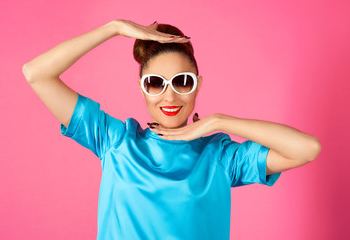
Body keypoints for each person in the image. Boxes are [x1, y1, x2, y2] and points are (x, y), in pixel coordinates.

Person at [22, 19, 322, 240]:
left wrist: (218, 122)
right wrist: (112, 28)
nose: (169, 96)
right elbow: (36, 74)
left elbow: (307, 149)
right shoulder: (116, 141)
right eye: (156, 83)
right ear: (143, 89)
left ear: (197, 86)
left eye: (182, 82)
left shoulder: (220, 156)